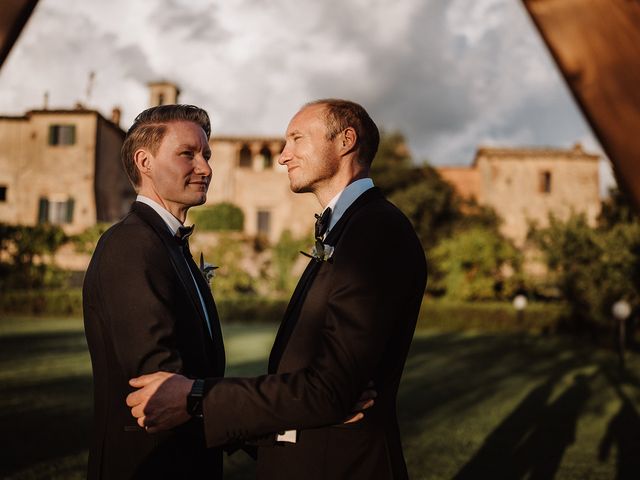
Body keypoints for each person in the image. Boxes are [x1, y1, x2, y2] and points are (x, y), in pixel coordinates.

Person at [126, 99, 428, 479]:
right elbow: (326, 392)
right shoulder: (350, 228)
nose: (284, 156)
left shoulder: (375, 230)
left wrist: (197, 396)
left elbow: (330, 389)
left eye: (297, 139)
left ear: (346, 140)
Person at [82, 104, 225, 479]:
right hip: (150, 466)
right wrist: (274, 417)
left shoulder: (167, 245)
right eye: (188, 154)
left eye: (206, 155)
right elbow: (161, 384)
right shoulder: (130, 245)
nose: (206, 168)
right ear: (144, 162)